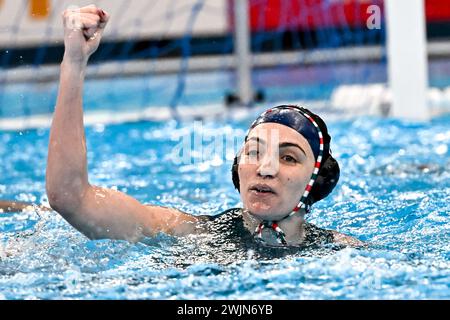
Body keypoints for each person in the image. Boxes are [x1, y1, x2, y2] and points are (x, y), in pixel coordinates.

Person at [15, 5, 363, 250]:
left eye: (288, 158)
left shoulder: (345, 254)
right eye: (255, 152)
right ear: (237, 169)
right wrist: (73, 63)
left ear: (317, 181)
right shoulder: (192, 234)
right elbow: (71, 198)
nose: (266, 169)